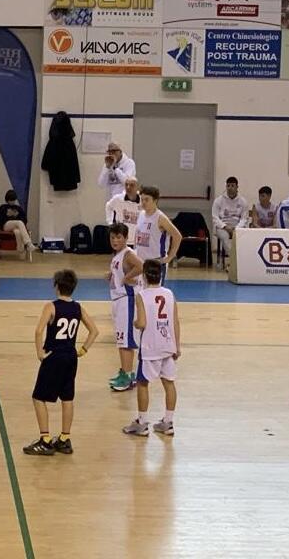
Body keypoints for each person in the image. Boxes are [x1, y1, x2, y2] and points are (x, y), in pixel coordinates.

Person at [22, 270, 99, 456]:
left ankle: (45, 440)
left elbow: (38, 331)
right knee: (67, 398)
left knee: (38, 397)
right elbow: (94, 331)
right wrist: (83, 349)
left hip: (54, 356)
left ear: (56, 286)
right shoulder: (78, 308)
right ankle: (64, 439)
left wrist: (39, 352)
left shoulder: (51, 306)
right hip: (71, 357)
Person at [122, 259, 180, 437]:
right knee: (169, 383)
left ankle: (142, 422)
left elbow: (142, 323)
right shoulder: (169, 294)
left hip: (150, 347)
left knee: (142, 383)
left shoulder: (142, 295)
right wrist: (177, 346)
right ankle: (168, 422)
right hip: (168, 345)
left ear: (144, 276)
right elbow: (175, 321)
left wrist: (134, 323)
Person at [107, 223, 144, 393]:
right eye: (112, 237)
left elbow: (141, 266)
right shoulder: (118, 255)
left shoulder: (128, 254)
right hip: (118, 300)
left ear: (126, 238)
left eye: (118, 237)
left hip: (127, 301)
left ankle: (128, 377)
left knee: (126, 341)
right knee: (121, 340)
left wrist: (127, 277)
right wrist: (111, 276)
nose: (115, 240)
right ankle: (125, 371)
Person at [134, 186, 182, 283]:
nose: (143, 202)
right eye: (142, 199)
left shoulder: (160, 218)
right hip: (140, 260)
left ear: (155, 200)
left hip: (156, 262)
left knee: (155, 290)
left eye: (147, 200)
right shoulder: (141, 214)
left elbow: (177, 236)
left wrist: (170, 257)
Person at [212, 176, 249, 270]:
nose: (230, 188)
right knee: (225, 238)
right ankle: (234, 263)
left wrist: (236, 228)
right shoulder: (218, 200)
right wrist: (225, 226)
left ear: (237, 187)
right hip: (223, 227)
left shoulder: (243, 201)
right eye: (228, 186)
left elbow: (244, 218)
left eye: (232, 186)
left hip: (238, 227)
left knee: (243, 238)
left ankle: (239, 262)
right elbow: (215, 217)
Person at [0, 189, 35, 260]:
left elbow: (25, 219)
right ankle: (28, 243)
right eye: (11, 200)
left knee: (18, 232)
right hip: (6, 225)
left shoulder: (18, 208)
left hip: (16, 226)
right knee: (19, 222)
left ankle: (20, 250)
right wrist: (4, 221)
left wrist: (17, 216)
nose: (12, 202)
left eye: (13, 200)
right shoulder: (3, 207)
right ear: (7, 200)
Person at [105, 177, 141, 246]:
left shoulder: (142, 200)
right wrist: (110, 222)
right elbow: (108, 206)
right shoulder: (118, 199)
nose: (128, 187)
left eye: (132, 185)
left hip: (138, 240)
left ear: (137, 187)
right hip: (121, 240)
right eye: (126, 185)